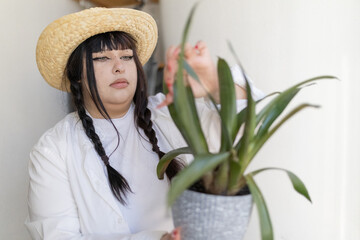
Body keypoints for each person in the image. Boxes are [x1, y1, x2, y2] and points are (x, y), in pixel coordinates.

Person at [26, 7, 263, 240]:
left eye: (127, 56)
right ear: (77, 73)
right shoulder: (53, 149)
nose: (119, 67)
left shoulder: (172, 114)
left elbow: (243, 129)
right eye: (102, 58)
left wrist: (213, 85)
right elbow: (56, 235)